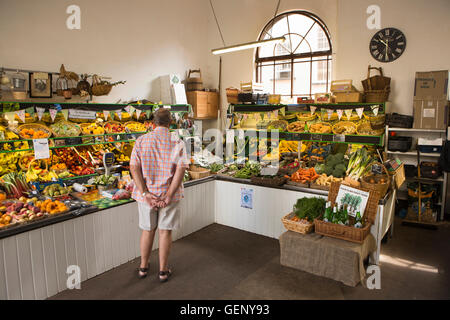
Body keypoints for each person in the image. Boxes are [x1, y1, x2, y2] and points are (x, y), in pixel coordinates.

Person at [130, 108, 189, 282]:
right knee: (165, 232)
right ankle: (163, 271)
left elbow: (134, 167)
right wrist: (169, 195)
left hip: (146, 196)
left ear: (152, 123)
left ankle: (143, 267)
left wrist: (145, 193)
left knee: (147, 230)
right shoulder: (177, 141)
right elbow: (181, 168)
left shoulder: (141, 141)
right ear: (170, 122)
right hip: (168, 196)